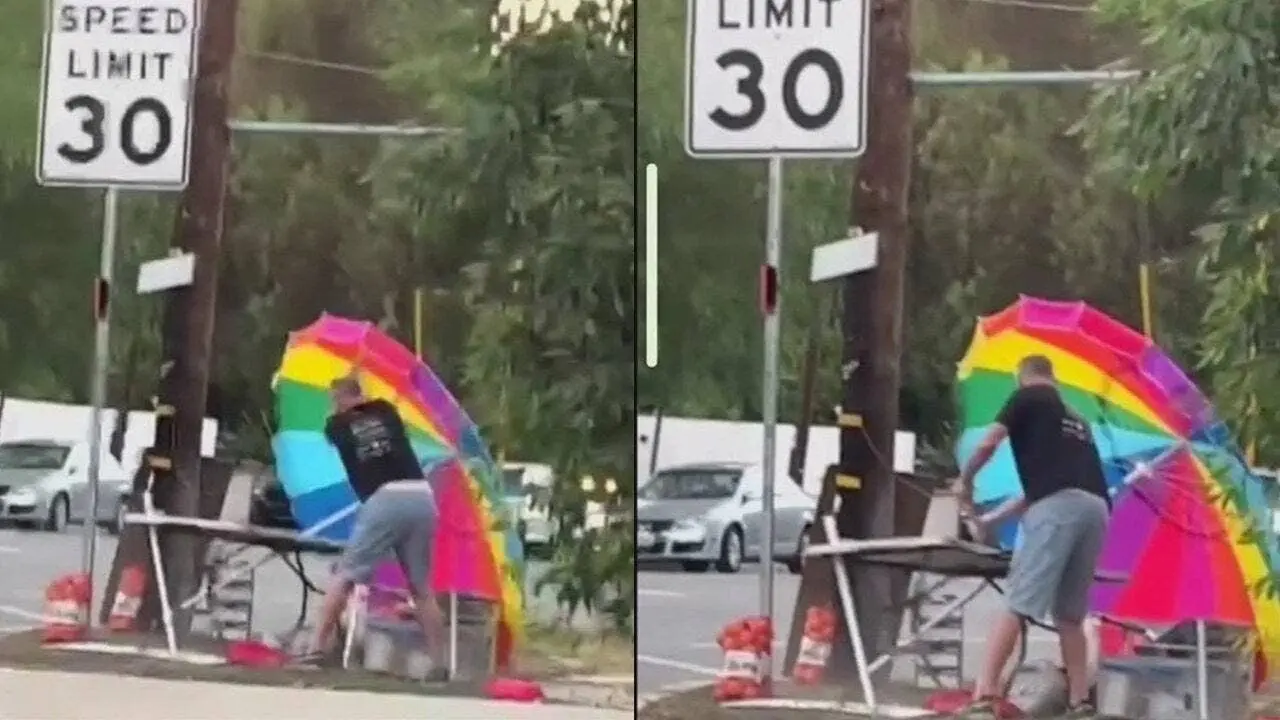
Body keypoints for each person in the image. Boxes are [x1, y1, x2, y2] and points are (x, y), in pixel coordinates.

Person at [952, 354, 1110, 717]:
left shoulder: (1027, 397)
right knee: (1070, 615)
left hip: (1058, 509)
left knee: (1018, 604)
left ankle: (985, 695)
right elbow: (1048, 487)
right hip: (1096, 509)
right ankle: (1079, 703)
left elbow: (989, 443)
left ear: (1022, 375)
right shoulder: (1077, 420)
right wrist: (991, 518)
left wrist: (967, 479)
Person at [307, 373, 447, 674]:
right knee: (421, 588)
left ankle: (316, 648)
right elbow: (371, 415)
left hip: (384, 498)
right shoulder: (387, 410)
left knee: (346, 575)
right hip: (421, 496)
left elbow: (337, 432)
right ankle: (439, 663)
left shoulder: (336, 425)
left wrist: (341, 409)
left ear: (337, 399)